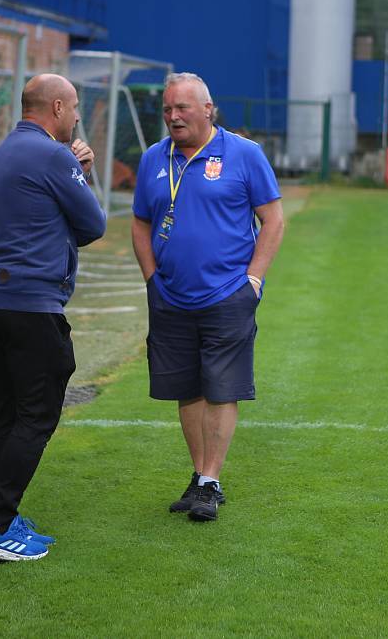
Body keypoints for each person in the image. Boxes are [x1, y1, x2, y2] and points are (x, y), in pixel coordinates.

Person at [131, 72, 284, 522]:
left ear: (207, 110)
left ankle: (211, 480)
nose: (173, 117)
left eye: (181, 108)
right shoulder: (153, 160)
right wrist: (151, 279)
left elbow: (273, 221)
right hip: (170, 297)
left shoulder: (244, 154)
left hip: (226, 295)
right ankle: (200, 478)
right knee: (186, 388)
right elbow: (140, 223)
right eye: (167, 110)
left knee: (221, 388)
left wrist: (252, 281)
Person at [0, 74, 106, 560]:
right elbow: (93, 224)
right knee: (38, 412)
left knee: (6, 411)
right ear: (55, 107)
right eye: (73, 110)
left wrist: (72, 171)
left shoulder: (3, 151)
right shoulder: (52, 155)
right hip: (31, 303)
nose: (75, 119)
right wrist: (78, 173)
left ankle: (1, 517)